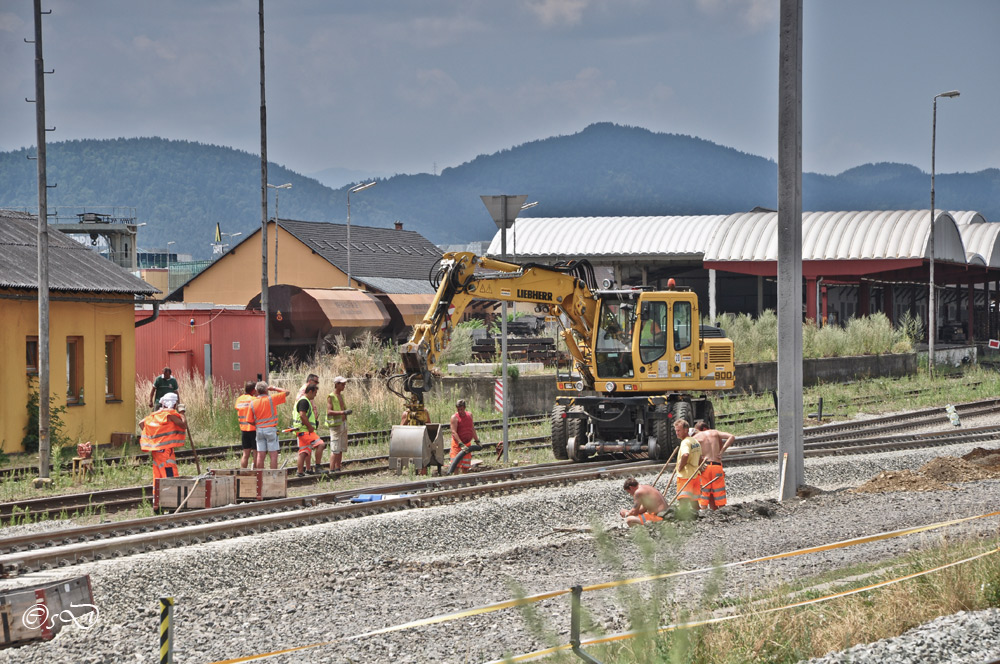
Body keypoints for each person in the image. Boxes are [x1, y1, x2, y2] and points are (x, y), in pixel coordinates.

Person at [139, 392, 187, 481]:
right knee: (169, 473)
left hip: (156, 450)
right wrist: (182, 412)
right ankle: (170, 492)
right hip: (165, 450)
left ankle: (157, 494)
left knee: (158, 474)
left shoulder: (155, 414)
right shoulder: (170, 415)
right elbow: (183, 425)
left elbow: (141, 423)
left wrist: (153, 438)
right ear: (175, 404)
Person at [693, 420, 735, 510]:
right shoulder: (715, 433)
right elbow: (732, 436)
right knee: (719, 492)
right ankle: (722, 511)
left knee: (704, 491)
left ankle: (703, 511)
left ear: (702, 429)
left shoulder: (697, 437)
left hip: (705, 467)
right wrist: (722, 450)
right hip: (717, 466)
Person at [247, 381, 289, 470]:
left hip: (259, 430)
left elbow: (249, 420)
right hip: (271, 430)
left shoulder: (252, 403)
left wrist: (258, 424)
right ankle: (273, 475)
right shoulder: (271, 399)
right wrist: (273, 388)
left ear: (256, 391)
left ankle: (260, 475)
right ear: (266, 390)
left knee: (260, 455)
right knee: (273, 454)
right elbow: (287, 392)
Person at [295, 383, 325, 477]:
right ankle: (318, 466)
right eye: (315, 393)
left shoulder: (303, 400)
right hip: (305, 430)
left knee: (303, 451)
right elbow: (302, 415)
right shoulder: (304, 401)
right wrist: (310, 427)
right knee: (321, 444)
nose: (315, 395)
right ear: (310, 391)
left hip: (301, 431)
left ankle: (299, 472)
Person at [673, 418, 703, 512]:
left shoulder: (685, 442)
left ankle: (683, 522)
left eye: (679, 430)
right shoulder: (695, 441)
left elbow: (685, 455)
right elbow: (700, 458)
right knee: (694, 502)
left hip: (685, 476)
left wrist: (680, 467)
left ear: (686, 430)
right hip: (695, 475)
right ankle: (699, 517)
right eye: (676, 430)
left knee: (683, 500)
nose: (677, 433)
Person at [326, 376, 352, 472]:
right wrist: (343, 412)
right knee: (335, 448)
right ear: (336, 384)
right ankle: (332, 469)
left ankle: (338, 468)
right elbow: (329, 411)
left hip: (342, 423)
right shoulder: (331, 396)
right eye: (342, 384)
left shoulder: (341, 396)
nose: (344, 386)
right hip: (335, 425)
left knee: (340, 447)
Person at [449, 398, 480, 474]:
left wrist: (477, 441)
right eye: (458, 409)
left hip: (467, 445)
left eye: (461, 409)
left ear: (465, 408)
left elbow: (472, 429)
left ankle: (464, 482)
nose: (460, 411)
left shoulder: (469, 415)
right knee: (456, 465)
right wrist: (460, 444)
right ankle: (455, 482)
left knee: (465, 466)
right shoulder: (454, 418)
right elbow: (454, 432)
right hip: (457, 445)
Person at [234, 381, 257, 469]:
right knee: (256, 453)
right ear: (253, 390)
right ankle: (255, 472)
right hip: (254, 429)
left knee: (245, 454)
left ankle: (243, 472)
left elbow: (237, 408)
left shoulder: (239, 399)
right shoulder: (253, 400)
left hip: (244, 429)